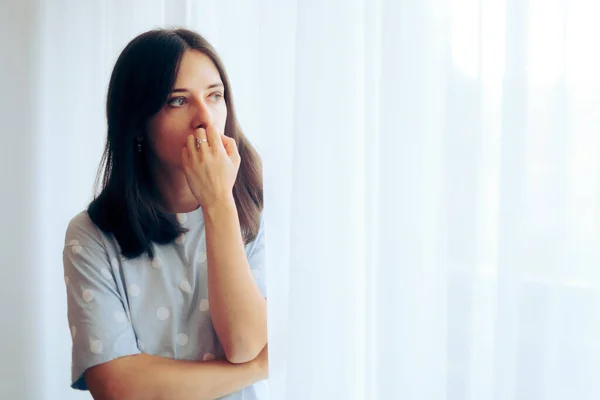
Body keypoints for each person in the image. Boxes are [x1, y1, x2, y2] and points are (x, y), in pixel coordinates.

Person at [62, 28, 268, 400]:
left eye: (215, 96)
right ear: (138, 123)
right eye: (178, 101)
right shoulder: (91, 236)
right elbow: (117, 388)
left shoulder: (254, 212)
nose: (205, 118)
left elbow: (243, 342)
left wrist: (219, 202)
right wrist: (255, 368)